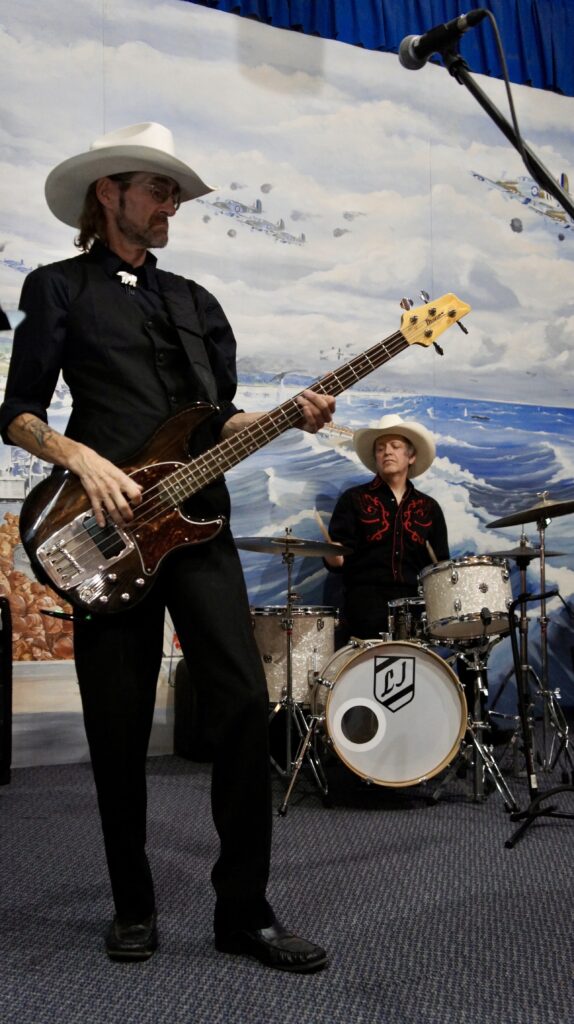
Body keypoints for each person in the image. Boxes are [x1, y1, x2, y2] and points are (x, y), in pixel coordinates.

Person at [0, 122, 335, 971]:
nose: (173, 202)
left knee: (240, 707)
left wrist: (275, 419)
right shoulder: (56, 288)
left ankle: (245, 913)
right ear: (108, 193)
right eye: (158, 188)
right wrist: (81, 457)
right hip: (103, 529)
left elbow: (214, 416)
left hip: (200, 525)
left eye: (176, 191)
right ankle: (132, 904)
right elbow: (16, 412)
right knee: (117, 726)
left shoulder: (196, 302)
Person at [323, 414, 449, 642]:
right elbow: (338, 559)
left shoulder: (430, 507)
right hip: (365, 605)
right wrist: (332, 556)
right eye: (380, 448)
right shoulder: (354, 499)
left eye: (395, 446)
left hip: (416, 608)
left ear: (411, 456)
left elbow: (440, 566)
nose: (387, 452)